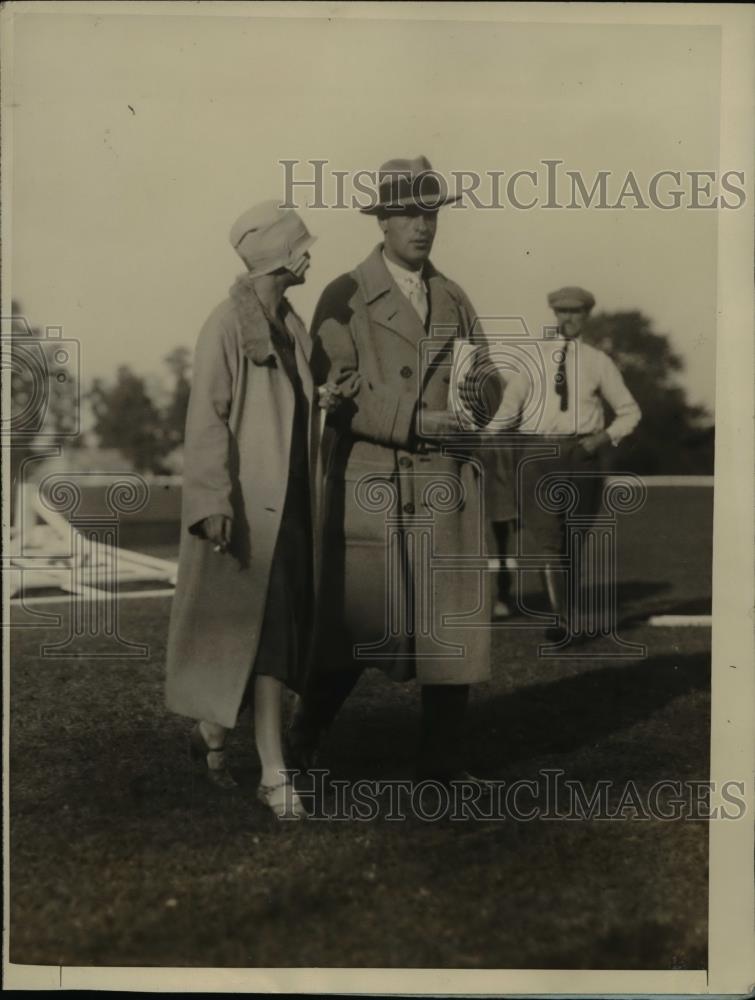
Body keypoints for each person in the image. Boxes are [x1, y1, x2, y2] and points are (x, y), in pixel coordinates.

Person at [288, 155, 499, 785]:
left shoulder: (453, 295)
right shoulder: (344, 293)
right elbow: (335, 390)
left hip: (444, 487)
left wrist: (484, 399)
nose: (422, 226)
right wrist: (415, 420)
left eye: (429, 213)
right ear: (381, 220)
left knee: (450, 631)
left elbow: (480, 373)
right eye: (407, 213)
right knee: (359, 628)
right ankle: (303, 737)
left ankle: (442, 768)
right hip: (375, 484)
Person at [165, 200, 323, 820]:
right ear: (279, 257)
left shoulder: (291, 323)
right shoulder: (226, 325)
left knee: (266, 634)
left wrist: (327, 395)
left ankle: (215, 735)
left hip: (292, 505)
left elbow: (295, 406)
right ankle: (274, 774)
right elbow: (204, 418)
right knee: (265, 638)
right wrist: (210, 501)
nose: (310, 252)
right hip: (247, 508)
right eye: (302, 244)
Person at [484, 286, 641, 640]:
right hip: (538, 456)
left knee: (573, 541)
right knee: (548, 541)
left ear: (587, 316)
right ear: (554, 314)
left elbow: (630, 412)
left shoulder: (599, 362)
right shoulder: (532, 360)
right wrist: (482, 435)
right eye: (562, 312)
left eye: (576, 312)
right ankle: (562, 621)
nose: (568, 318)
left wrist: (600, 439)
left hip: (581, 458)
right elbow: (508, 410)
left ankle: (567, 613)